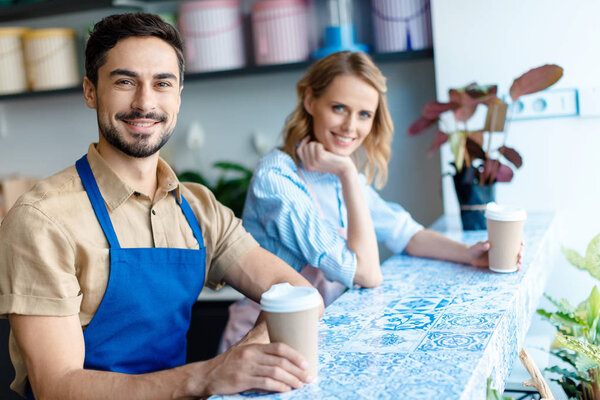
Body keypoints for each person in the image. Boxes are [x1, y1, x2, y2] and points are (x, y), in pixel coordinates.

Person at [0, 13, 324, 400]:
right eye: (124, 82)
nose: (144, 103)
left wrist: (248, 351)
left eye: (162, 83)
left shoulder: (198, 207)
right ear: (90, 91)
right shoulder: (42, 219)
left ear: (178, 95)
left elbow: (299, 292)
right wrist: (207, 376)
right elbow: (58, 386)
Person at [220, 51, 523, 351]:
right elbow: (365, 274)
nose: (351, 126)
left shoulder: (332, 169)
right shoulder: (276, 179)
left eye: (364, 114)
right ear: (310, 101)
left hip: (315, 335)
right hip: (261, 342)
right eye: (339, 108)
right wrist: (348, 172)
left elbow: (406, 233)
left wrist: (470, 254)